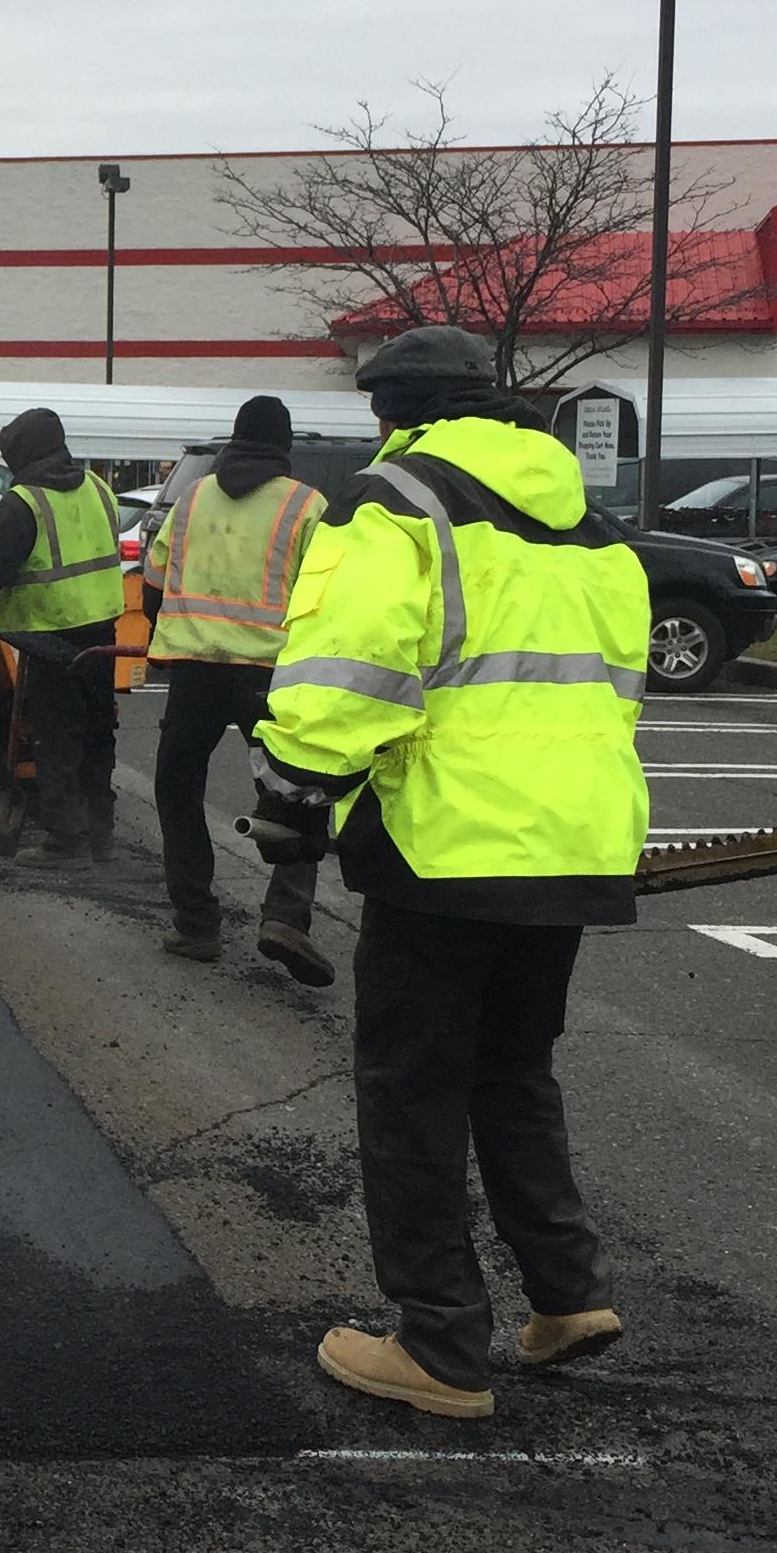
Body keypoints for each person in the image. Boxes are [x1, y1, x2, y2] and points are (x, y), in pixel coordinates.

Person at [247, 324, 649, 1420]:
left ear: (394, 413)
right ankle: (567, 1295)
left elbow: (348, 672)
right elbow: (613, 691)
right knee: (512, 1071)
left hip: (447, 851)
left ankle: (439, 1348)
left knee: (411, 1091)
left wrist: (293, 785)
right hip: (573, 844)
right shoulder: (590, 527)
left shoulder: (395, 505)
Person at [145, 394, 330, 984]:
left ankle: (196, 924)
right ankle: (286, 918)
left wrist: (173, 636)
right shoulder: (308, 505)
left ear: (233, 439)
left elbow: (153, 576)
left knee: (176, 788)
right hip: (274, 674)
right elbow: (327, 596)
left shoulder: (194, 496)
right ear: (285, 447)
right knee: (298, 792)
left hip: (195, 668)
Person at [0, 404, 125, 867]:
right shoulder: (100, 489)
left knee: (56, 739)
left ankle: (65, 843)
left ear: (22, 453)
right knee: (98, 735)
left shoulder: (23, 505)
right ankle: (102, 839)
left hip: (50, 638)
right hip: (103, 632)